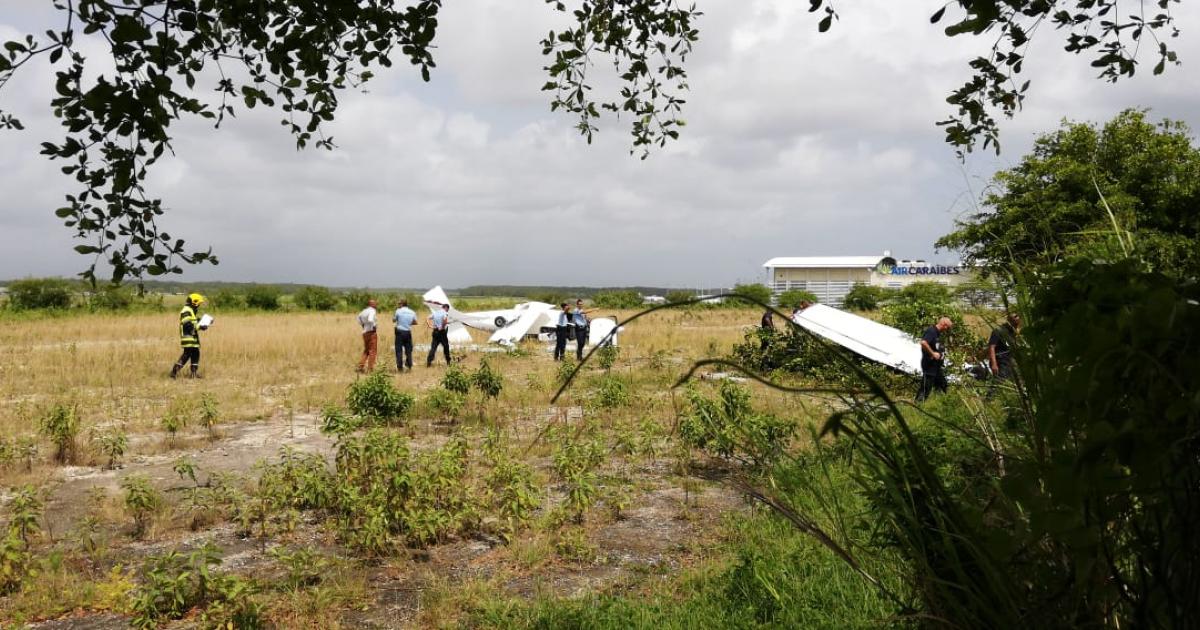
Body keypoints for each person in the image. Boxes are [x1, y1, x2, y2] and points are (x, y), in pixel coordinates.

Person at [171, 293, 208, 379]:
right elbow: (187, 324)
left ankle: (193, 374)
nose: (199, 305)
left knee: (196, 353)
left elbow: (192, 321)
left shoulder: (190, 310)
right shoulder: (186, 310)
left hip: (193, 336)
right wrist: (200, 326)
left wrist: (201, 322)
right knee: (187, 354)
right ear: (194, 302)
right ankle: (174, 372)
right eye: (199, 303)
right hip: (188, 336)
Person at [916, 316, 953, 402]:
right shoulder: (931, 331)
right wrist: (933, 353)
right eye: (947, 327)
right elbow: (923, 343)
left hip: (936, 366)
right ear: (944, 325)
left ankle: (944, 403)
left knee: (942, 384)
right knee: (926, 387)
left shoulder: (937, 333)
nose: (947, 330)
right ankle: (918, 404)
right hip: (930, 364)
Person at [987, 312, 1021, 390]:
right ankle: (989, 400)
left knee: (1014, 383)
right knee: (999, 382)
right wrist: (994, 364)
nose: (1017, 324)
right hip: (1000, 360)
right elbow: (991, 347)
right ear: (1010, 320)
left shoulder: (1013, 332)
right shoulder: (999, 331)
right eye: (1015, 320)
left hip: (1010, 361)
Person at [392, 299, 418, 372]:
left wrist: (400, 321)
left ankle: (400, 367)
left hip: (399, 332)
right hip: (408, 332)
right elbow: (415, 322)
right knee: (409, 350)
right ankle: (409, 364)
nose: (398, 305)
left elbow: (393, 320)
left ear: (401, 304)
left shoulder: (398, 311)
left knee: (399, 350)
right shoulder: (412, 312)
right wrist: (408, 323)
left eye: (399, 304)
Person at [356, 299, 378, 373]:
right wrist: (373, 326)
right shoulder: (372, 311)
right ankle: (370, 369)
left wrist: (363, 325)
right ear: (372, 304)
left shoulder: (364, 311)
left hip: (365, 332)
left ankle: (360, 366)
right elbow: (371, 319)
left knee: (366, 350)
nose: (376, 305)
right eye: (375, 304)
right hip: (371, 332)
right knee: (373, 351)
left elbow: (358, 318)